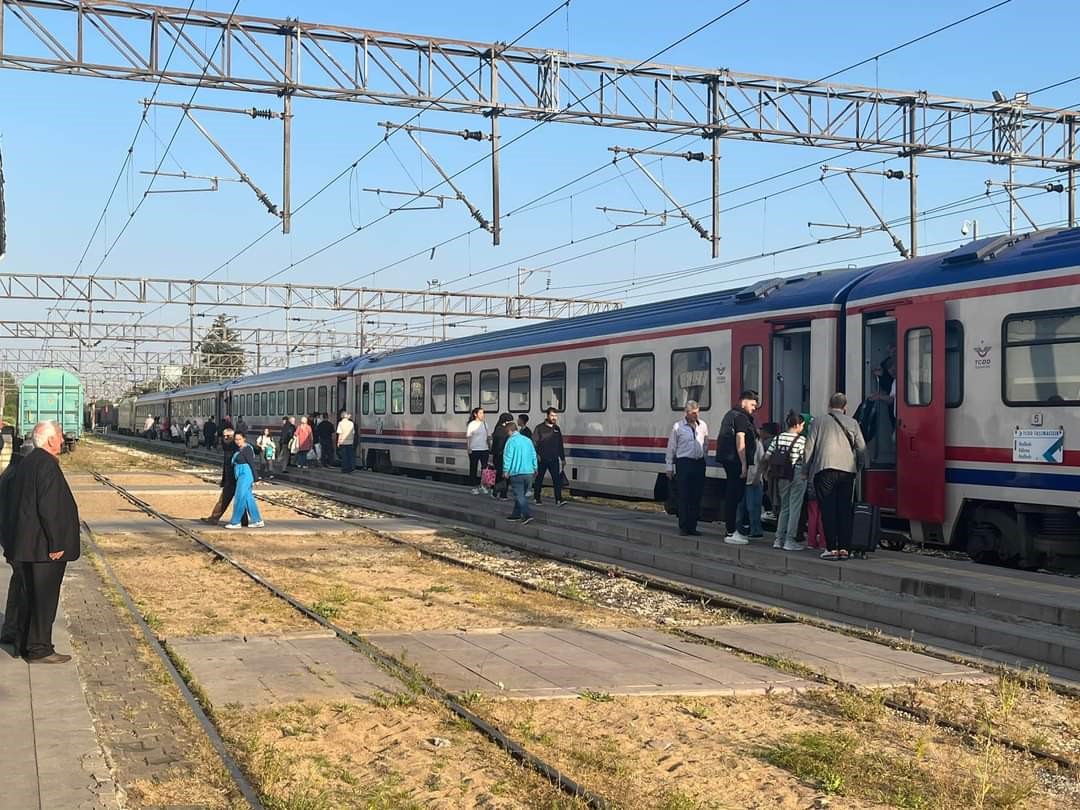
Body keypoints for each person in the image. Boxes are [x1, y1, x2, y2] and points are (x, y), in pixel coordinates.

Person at [2, 422, 80, 663]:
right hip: (43, 548)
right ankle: (39, 649)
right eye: (58, 436)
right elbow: (50, 509)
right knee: (44, 600)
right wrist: (57, 544)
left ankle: (23, 643)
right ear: (49, 440)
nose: (62, 439)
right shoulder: (46, 465)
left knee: (29, 598)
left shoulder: (27, 462)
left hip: (27, 545)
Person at [804, 392, 866, 561]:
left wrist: (805, 470)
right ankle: (845, 548)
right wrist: (858, 467)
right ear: (845, 407)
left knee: (828, 509)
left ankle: (831, 548)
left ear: (829, 405)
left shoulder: (818, 421)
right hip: (847, 471)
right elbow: (862, 448)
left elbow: (809, 448)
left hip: (824, 470)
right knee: (845, 510)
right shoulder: (853, 423)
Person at [717, 390, 759, 545]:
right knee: (734, 495)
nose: (754, 408)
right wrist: (744, 464)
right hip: (735, 460)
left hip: (729, 459)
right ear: (744, 401)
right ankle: (731, 531)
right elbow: (740, 440)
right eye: (753, 404)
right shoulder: (740, 417)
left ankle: (732, 529)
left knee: (733, 495)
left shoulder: (731, 414)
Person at [765, 411, 809, 551]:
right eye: (802, 425)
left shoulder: (777, 438)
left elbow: (767, 456)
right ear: (797, 425)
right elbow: (806, 459)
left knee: (784, 507)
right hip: (797, 474)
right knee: (795, 508)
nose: (802, 427)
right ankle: (790, 540)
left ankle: (779, 539)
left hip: (781, 475)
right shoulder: (801, 440)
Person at [665, 400, 709, 536]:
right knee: (684, 495)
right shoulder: (678, 427)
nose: (695, 415)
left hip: (698, 462)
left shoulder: (703, 426)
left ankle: (693, 526)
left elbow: (706, 444)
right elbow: (671, 447)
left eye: (697, 413)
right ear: (687, 412)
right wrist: (669, 466)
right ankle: (683, 526)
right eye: (693, 413)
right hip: (684, 462)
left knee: (696, 496)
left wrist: (704, 459)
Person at [0, 444, 27, 654]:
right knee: (21, 583)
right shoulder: (16, 477)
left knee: (17, 581)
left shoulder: (9, 472)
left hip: (8, 539)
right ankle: (14, 629)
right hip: (14, 540)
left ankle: (10, 628)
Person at [202, 428, 248, 526]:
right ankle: (243, 521)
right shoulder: (227, 447)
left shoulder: (236, 447)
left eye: (228, 436)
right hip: (229, 479)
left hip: (236, 478)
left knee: (227, 500)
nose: (225, 438)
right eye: (224, 436)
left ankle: (214, 518)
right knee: (235, 499)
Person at [738, 423, 775, 540]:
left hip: (753, 479)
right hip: (747, 478)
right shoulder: (752, 444)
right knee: (747, 506)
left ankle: (756, 530)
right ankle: (747, 528)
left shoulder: (757, 444)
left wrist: (758, 476)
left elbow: (762, 461)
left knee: (753, 506)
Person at [502, 421, 538, 525]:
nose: (507, 434)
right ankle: (516, 514)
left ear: (510, 431)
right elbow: (533, 454)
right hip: (529, 472)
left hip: (516, 472)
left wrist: (505, 470)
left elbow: (508, 457)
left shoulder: (510, 441)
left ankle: (527, 515)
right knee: (521, 495)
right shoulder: (527, 440)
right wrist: (535, 467)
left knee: (519, 495)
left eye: (507, 432)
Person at [227, 433, 264, 529]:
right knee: (248, 499)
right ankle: (257, 520)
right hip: (240, 474)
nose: (237, 441)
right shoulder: (239, 449)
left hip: (245, 474)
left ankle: (235, 522)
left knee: (239, 497)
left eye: (239, 439)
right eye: (236, 439)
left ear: (244, 439)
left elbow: (251, 463)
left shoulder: (247, 449)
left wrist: (256, 478)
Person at [533, 408, 566, 505]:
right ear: (547, 416)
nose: (554, 418)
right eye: (552, 415)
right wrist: (536, 454)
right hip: (542, 458)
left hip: (554, 459)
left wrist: (563, 458)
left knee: (556, 480)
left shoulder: (557, 429)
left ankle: (558, 499)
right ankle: (537, 498)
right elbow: (534, 443)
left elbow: (560, 444)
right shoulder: (539, 428)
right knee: (539, 479)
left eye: (555, 416)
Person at [489, 412, 515, 500]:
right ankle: (501, 493)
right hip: (502, 456)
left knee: (500, 475)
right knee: (504, 476)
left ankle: (496, 492)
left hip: (498, 456)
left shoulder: (498, 429)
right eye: (509, 421)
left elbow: (494, 445)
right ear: (506, 421)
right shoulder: (503, 430)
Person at [466, 407, 490, 494]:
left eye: (483, 413)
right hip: (474, 449)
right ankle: (474, 487)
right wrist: (468, 448)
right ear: (475, 414)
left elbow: (488, 437)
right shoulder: (471, 424)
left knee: (485, 469)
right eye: (480, 413)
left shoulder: (485, 424)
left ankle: (484, 486)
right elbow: (468, 438)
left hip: (484, 449)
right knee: (473, 469)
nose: (482, 415)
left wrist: (489, 447)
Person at [805, 478, 826, 551]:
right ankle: (823, 542)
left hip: (812, 483)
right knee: (823, 516)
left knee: (812, 516)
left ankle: (811, 542)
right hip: (825, 483)